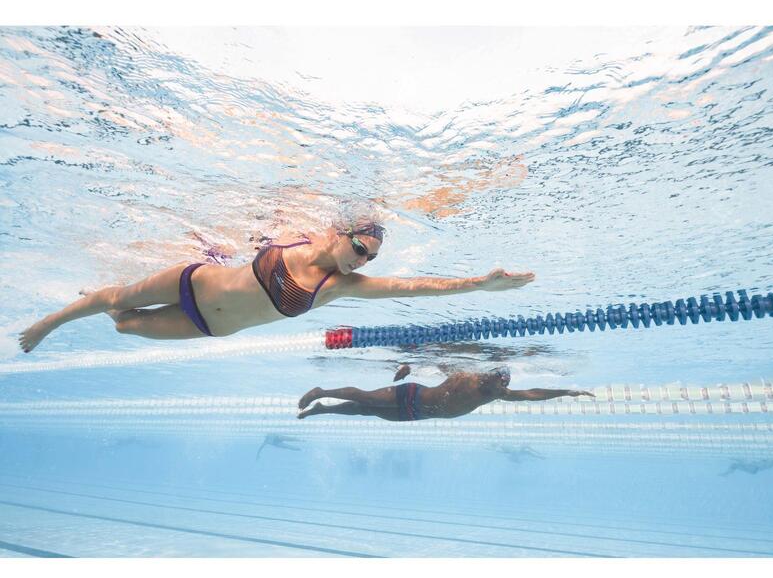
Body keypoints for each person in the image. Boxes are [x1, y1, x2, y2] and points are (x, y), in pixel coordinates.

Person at [18, 220, 535, 352]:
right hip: (193, 281)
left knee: (126, 326)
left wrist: (479, 286)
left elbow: (416, 288)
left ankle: (95, 304)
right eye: (360, 249)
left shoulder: (339, 287)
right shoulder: (295, 239)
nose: (363, 261)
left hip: (206, 327)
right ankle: (49, 323)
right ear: (340, 234)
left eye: (371, 258)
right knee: (116, 298)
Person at [297, 363, 595, 421]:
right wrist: (407, 366)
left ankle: (324, 409)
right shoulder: (466, 374)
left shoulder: (495, 394)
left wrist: (567, 392)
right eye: (500, 382)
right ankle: (322, 391)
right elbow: (432, 360)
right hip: (411, 396)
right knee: (365, 397)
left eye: (504, 385)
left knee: (366, 411)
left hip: (417, 415)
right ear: (491, 377)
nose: (503, 388)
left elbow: (534, 393)